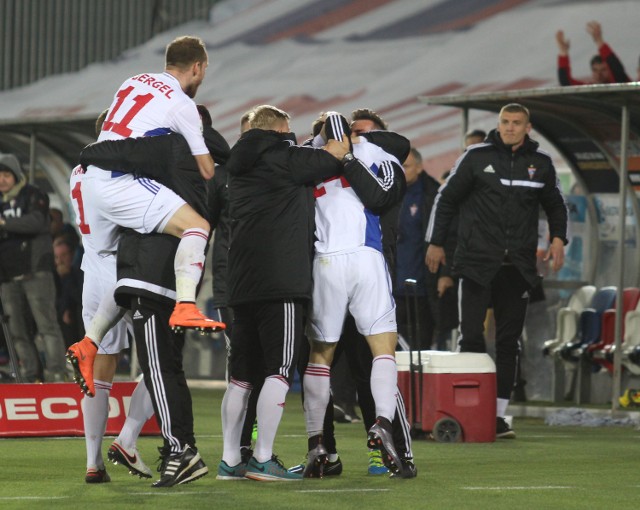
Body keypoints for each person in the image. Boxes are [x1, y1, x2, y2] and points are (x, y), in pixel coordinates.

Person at [79, 104, 231, 487]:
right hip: (174, 273)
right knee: (164, 366)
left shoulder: (166, 149)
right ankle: (158, 444)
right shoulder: (213, 162)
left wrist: (92, 149)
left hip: (137, 271)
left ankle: (178, 450)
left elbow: (116, 152)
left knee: (155, 368)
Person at [66, 35, 224, 400]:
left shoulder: (133, 81)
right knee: (197, 226)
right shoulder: (182, 104)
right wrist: (191, 138)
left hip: (95, 180)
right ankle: (186, 305)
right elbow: (205, 169)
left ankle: (89, 342)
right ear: (198, 67)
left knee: (127, 280)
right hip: (120, 184)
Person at [218, 105, 353, 482]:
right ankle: (262, 458)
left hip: (242, 284)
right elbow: (339, 153)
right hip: (281, 282)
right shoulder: (288, 158)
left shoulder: (237, 166)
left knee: (242, 378)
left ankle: (231, 460)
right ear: (280, 127)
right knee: (278, 371)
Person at [425, 103, 568, 439]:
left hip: (517, 267)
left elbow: (556, 204)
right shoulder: (476, 157)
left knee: (508, 342)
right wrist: (435, 242)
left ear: (527, 127)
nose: (510, 128)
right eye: (505, 122)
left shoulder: (541, 164)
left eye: (517, 123)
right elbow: (445, 200)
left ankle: (499, 416)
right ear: (499, 124)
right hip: (475, 263)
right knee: (471, 337)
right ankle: (469, 409)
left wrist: (559, 238)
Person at [302, 111, 409, 477]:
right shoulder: (379, 154)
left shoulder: (306, 159)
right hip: (367, 256)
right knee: (383, 348)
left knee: (320, 356)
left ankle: (318, 443)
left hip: (324, 262)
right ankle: (381, 422)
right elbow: (384, 195)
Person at [0, 153, 68, 383]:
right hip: (8, 276)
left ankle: (56, 373)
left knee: (46, 325)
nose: (2, 180)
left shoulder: (34, 195)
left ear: (16, 175)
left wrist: (5, 225)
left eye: (6, 174)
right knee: (17, 330)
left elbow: (38, 222)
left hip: (36, 271)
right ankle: (28, 376)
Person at [394, 147, 440, 351]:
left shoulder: (433, 196)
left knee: (420, 349)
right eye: (399, 166)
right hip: (390, 288)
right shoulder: (385, 193)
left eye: (406, 166)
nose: (401, 171)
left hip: (422, 287)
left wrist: (445, 275)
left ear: (420, 168)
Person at [556, 21, 631, 86]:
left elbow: (617, 71)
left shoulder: (623, 87)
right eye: (595, 70)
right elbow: (566, 83)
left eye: (603, 70)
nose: (599, 75)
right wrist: (563, 52)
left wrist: (599, 41)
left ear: (610, 71)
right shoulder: (589, 90)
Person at [53, 237, 85, 348]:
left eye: (63, 255)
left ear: (72, 254)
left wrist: (67, 277)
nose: (60, 261)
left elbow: (80, 297)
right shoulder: (53, 276)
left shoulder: (80, 271)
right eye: (57, 257)